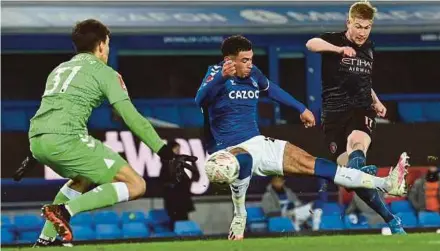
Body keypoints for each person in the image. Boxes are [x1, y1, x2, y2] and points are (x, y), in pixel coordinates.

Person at [195, 34, 408, 240]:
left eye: (251, 59)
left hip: (257, 142)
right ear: (228, 61)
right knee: (245, 159)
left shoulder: (253, 74)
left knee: (316, 165)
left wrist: (300, 108)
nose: (250, 64)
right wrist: (222, 77)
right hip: (226, 151)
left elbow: (272, 90)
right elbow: (200, 99)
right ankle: (240, 215)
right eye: (244, 60)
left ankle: (386, 184)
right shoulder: (215, 73)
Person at [28, 19, 197, 246]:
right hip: (67, 138)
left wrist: (33, 153)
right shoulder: (105, 73)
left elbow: (51, 111)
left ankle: (45, 239)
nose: (107, 49)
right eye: (107, 44)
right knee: (136, 185)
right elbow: (131, 117)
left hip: (37, 140)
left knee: (83, 179)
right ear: (100, 45)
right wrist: (164, 151)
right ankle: (65, 211)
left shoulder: (59, 69)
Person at [305, 1, 405, 234]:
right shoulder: (334, 40)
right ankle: (391, 219)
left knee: (357, 143)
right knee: (351, 177)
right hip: (333, 116)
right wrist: (339, 50)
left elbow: (364, 81)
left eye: (367, 27)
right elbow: (310, 44)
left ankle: (361, 171)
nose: (362, 32)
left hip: (360, 109)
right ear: (348, 22)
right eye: (358, 26)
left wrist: (376, 101)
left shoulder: (369, 48)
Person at [159, 140, 200, 230]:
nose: (178, 151)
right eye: (176, 149)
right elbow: (164, 181)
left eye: (178, 149)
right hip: (173, 199)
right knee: (175, 219)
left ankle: (185, 236)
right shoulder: (166, 163)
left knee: (184, 218)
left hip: (182, 198)